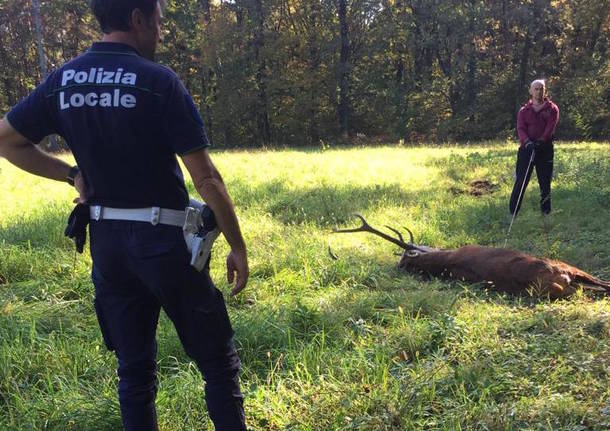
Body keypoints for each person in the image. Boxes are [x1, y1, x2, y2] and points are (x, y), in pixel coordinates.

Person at [0, 0, 249, 429]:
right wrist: (238, 245)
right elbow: (206, 179)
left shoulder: (64, 80)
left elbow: (7, 140)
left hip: (108, 246)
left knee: (134, 372)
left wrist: (70, 174)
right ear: (137, 18)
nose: (161, 33)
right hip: (167, 245)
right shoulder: (158, 82)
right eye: (158, 22)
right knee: (217, 362)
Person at [509, 79, 560, 217]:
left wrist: (541, 141)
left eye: (541, 88)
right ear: (531, 91)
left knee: (545, 183)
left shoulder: (552, 109)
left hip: (545, 150)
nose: (539, 91)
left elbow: (550, 128)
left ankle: (546, 214)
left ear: (545, 91)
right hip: (526, 149)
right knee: (521, 181)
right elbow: (520, 128)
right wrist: (527, 142)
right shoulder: (523, 111)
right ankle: (512, 213)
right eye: (536, 89)